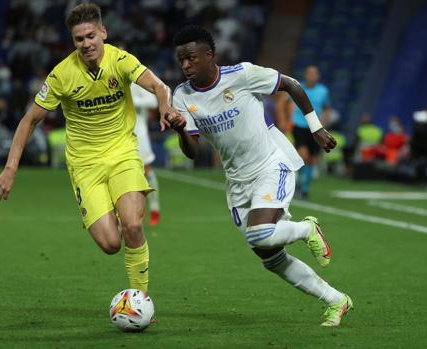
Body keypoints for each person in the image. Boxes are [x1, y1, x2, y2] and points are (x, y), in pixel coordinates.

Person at [166, 25, 352, 327]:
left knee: (259, 232)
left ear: (209, 55)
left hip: (271, 163)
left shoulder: (241, 75)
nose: (185, 65)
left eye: (190, 58)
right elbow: (192, 151)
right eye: (180, 61)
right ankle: (336, 300)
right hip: (237, 182)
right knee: (270, 258)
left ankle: (306, 229)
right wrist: (180, 132)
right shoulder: (182, 97)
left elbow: (291, 85)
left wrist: (315, 127)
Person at [0, 3, 182, 294]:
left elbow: (159, 86)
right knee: (110, 244)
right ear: (73, 41)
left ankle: (140, 298)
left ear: (103, 32)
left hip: (122, 154)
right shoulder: (62, 75)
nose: (86, 43)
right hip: (85, 164)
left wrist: (165, 108)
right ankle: (117, 210)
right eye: (79, 39)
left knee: (132, 225)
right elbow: (29, 121)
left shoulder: (121, 60)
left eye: (91, 36)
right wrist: (10, 169)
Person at [291, 65, 332, 199]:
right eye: (309, 73)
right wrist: (286, 120)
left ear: (318, 76)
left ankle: (305, 189)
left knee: (312, 160)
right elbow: (287, 103)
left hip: (315, 128)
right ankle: (298, 184)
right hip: (300, 126)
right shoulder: (297, 87)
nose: (311, 76)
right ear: (305, 75)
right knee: (303, 155)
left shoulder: (323, 91)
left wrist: (323, 124)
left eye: (314, 74)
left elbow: (327, 108)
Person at [131, 83, 161, 226]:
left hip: (139, 133)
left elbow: (153, 101)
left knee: (146, 170)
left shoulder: (134, 80)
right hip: (118, 135)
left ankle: (155, 209)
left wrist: (132, 101)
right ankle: (134, 212)